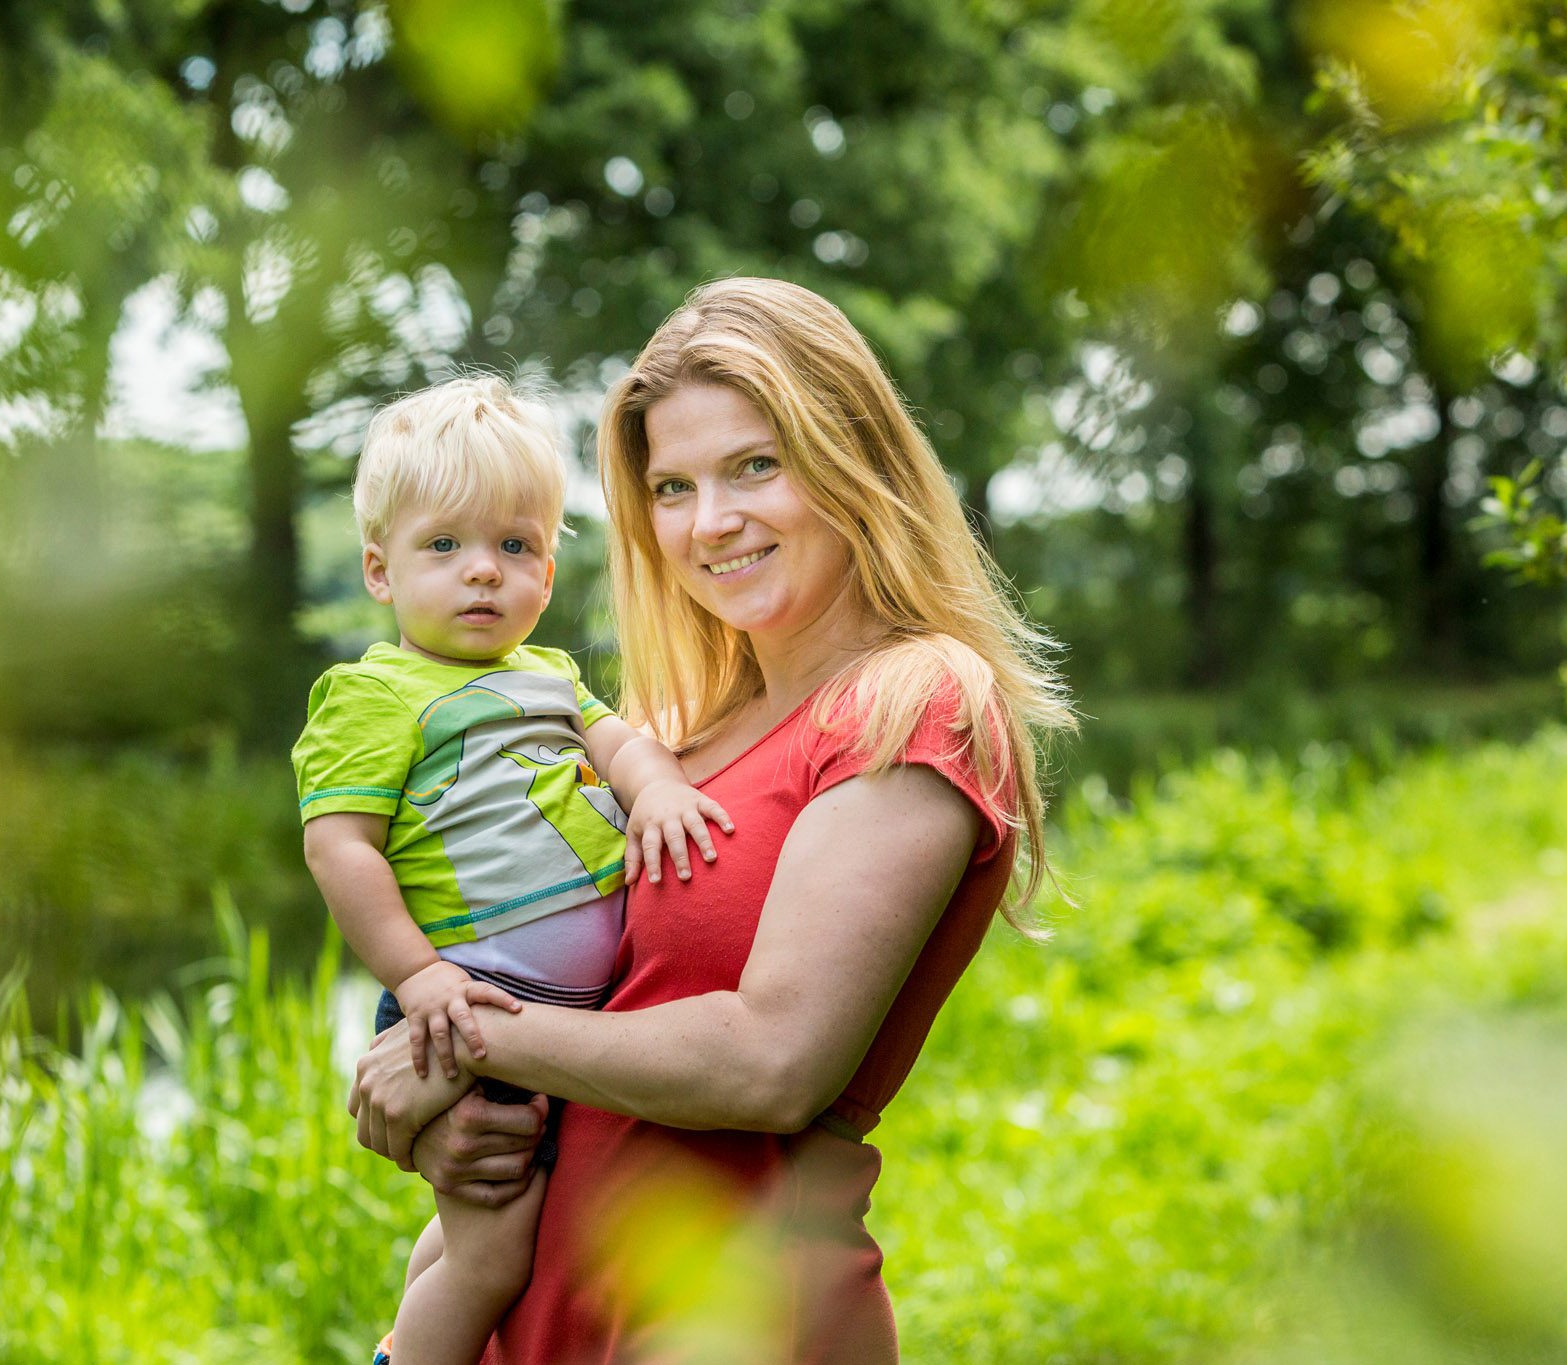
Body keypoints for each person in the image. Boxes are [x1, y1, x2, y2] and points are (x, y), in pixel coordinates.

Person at [348, 278, 1072, 1363]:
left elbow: (770, 1063)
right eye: (671, 487)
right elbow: (568, 995)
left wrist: (456, 1035)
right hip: (534, 1323)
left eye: (754, 466)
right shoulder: (672, 736)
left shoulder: (913, 701)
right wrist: (451, 1122)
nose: (710, 522)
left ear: (849, 458)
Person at [291, 375, 730, 1365]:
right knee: (492, 1259)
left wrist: (655, 791)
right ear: (379, 570)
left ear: (547, 562)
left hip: (560, 1021)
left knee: (482, 1224)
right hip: (466, 1002)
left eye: (514, 546)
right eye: (443, 547)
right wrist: (417, 977)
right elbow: (340, 848)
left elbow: (621, 746)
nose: (482, 573)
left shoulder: (551, 677)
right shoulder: (373, 697)